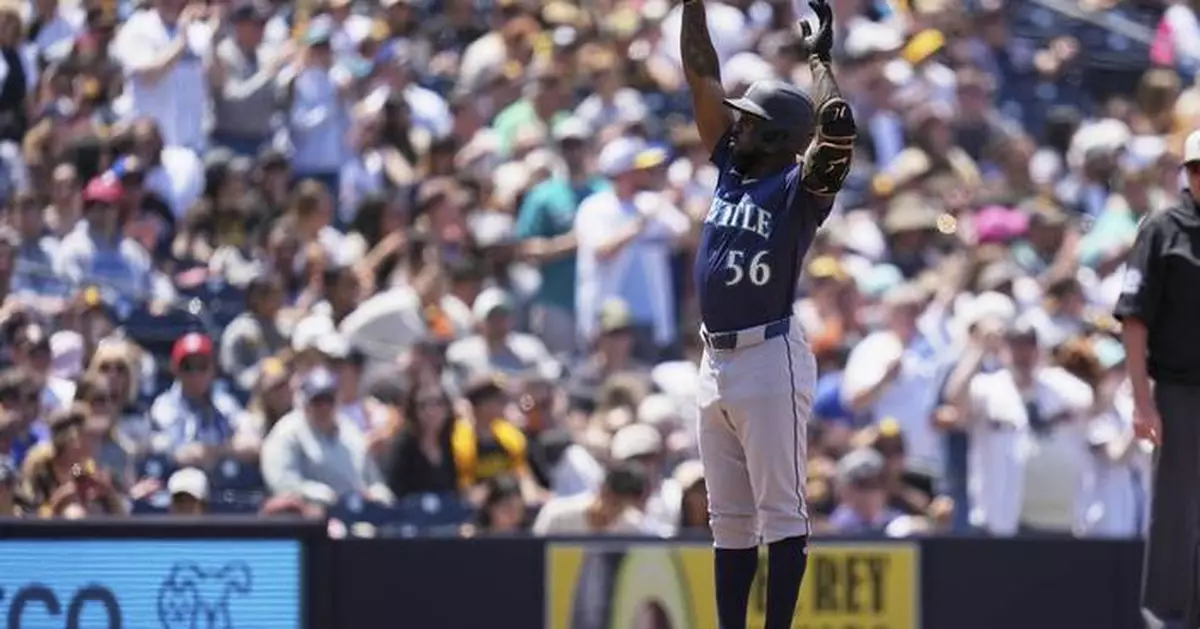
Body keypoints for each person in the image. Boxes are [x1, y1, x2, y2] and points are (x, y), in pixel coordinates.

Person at [681, 0, 854, 627]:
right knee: (727, 518)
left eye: (751, 122)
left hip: (768, 354)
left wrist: (819, 61)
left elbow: (836, 128)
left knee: (781, 513)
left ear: (780, 138)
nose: (738, 127)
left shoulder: (799, 190)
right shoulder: (731, 166)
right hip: (715, 358)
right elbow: (702, 74)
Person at [1115, 128, 1200, 629]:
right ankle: (1168, 617)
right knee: (1178, 506)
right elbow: (1135, 318)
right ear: (1185, 175)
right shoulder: (1164, 229)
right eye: (1196, 169)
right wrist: (1142, 401)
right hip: (1179, 390)